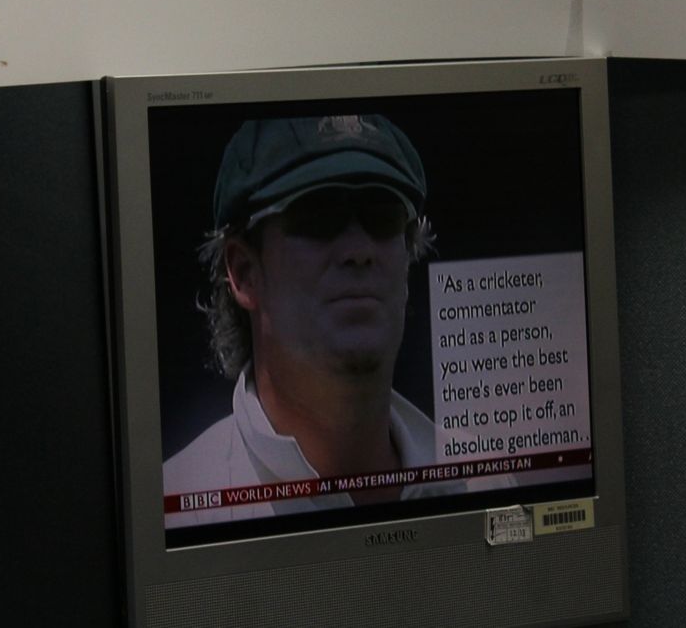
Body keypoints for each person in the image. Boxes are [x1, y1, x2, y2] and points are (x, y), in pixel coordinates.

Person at [163, 113, 473, 527]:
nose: (359, 249)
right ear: (244, 272)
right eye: (319, 217)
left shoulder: (484, 478)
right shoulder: (175, 510)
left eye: (382, 217)